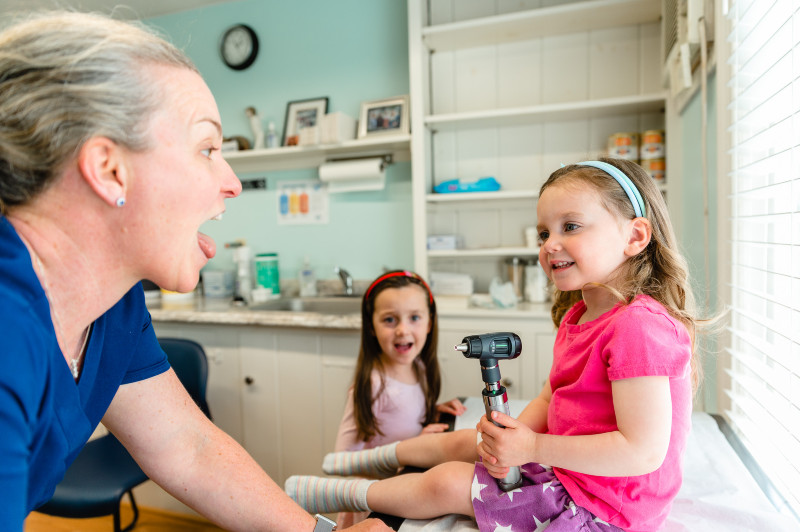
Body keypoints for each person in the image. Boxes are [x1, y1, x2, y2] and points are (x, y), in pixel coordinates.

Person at [0, 11, 387, 532]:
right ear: (110, 170)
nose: (232, 183)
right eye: (207, 148)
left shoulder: (112, 304)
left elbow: (187, 444)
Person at [285, 158, 701, 532]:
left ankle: (350, 495)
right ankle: (365, 460)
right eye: (544, 232)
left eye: (569, 226)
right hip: (575, 471)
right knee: (464, 442)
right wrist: (513, 435)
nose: (549, 244)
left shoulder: (638, 328)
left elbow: (642, 453)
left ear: (635, 236)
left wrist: (533, 447)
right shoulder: (580, 317)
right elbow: (551, 394)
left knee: (448, 483)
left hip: (605, 510)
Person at [332, 270, 466, 527]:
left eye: (414, 317)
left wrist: (433, 410)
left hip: (409, 492)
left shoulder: (419, 367)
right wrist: (414, 448)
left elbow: (404, 416)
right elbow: (342, 462)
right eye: (390, 320)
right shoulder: (373, 386)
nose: (403, 330)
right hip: (377, 507)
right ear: (371, 326)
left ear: (429, 322)